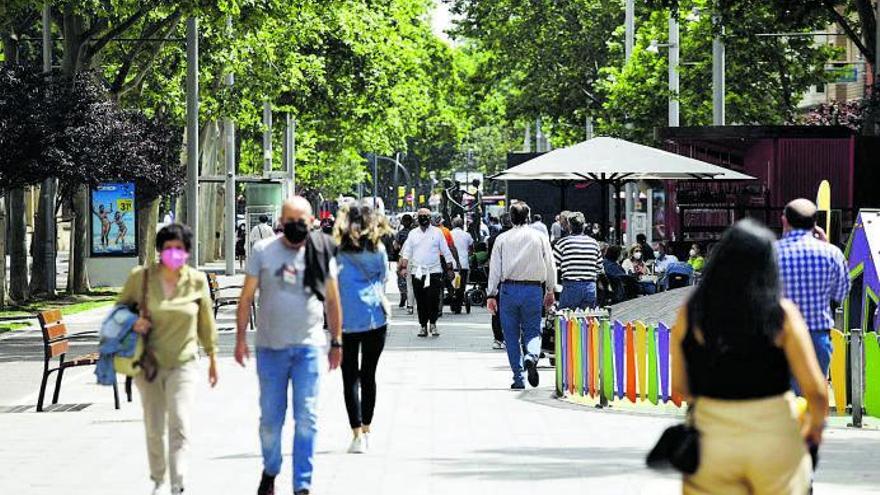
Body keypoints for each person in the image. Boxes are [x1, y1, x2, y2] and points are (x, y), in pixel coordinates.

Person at [671, 219, 827, 495]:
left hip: (711, 445)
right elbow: (816, 391)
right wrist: (813, 431)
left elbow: (680, 389)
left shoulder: (691, 311)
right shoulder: (782, 315)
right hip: (775, 443)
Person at [234, 197, 343, 495]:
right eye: (290, 219)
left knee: (306, 417)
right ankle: (270, 470)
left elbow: (333, 300)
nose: (297, 225)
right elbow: (246, 298)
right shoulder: (263, 251)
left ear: (312, 222)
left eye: (302, 220)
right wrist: (241, 338)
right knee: (270, 420)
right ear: (281, 222)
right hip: (271, 349)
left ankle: (302, 485)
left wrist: (336, 341)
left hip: (308, 348)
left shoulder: (320, 252)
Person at [119, 224, 219, 495]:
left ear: (186, 251)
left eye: (179, 248)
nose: (173, 253)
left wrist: (212, 356)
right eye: (168, 248)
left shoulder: (196, 280)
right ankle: (158, 477)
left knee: (180, 422)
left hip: (184, 362)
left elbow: (205, 322)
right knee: (154, 426)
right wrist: (132, 321)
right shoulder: (140, 278)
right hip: (148, 364)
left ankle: (178, 483)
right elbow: (118, 311)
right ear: (159, 251)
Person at [333, 205, 391, 455]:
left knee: (349, 377)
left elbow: (330, 285)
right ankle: (366, 429)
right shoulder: (378, 250)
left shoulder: (337, 252)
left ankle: (356, 434)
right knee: (368, 375)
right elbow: (384, 278)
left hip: (345, 319)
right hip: (375, 318)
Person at [777, 198, 850, 387]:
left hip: (781, 334)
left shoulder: (770, 252)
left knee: (783, 400)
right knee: (814, 397)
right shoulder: (832, 253)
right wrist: (826, 244)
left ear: (784, 221)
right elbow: (841, 293)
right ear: (815, 224)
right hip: (817, 336)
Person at [487, 202, 556, 389]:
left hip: (508, 289)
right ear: (528, 216)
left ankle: (518, 378)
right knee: (533, 330)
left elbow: (495, 269)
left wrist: (491, 294)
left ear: (510, 217)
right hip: (533, 290)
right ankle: (531, 356)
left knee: (510, 335)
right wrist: (550, 289)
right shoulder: (539, 237)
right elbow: (550, 264)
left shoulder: (502, 239)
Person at [399, 208, 455, 337]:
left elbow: (445, 250)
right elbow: (407, 251)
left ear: (430, 219)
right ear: (417, 219)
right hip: (417, 271)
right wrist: (403, 267)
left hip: (434, 271)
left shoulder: (437, 233)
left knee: (433, 299)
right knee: (421, 300)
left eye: (426, 216)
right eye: (421, 216)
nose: (424, 218)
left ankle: (433, 324)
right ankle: (423, 325)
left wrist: (450, 268)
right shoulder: (413, 234)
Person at [553, 212, 602, 310]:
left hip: (571, 286)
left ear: (569, 226)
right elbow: (599, 269)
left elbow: (553, 265)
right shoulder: (594, 243)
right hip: (590, 287)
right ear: (584, 226)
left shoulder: (563, 243)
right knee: (587, 320)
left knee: (566, 320)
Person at [450, 217, 474, 314]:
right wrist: (469, 254)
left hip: (451, 264)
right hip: (463, 264)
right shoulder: (467, 235)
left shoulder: (449, 234)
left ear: (453, 224)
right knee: (461, 285)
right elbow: (471, 248)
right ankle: (458, 305)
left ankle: (453, 301)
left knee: (451, 285)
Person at [393, 214, 414, 308]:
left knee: (401, 276)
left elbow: (395, 246)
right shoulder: (415, 232)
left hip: (403, 256)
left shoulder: (400, 233)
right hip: (414, 257)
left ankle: (403, 294)